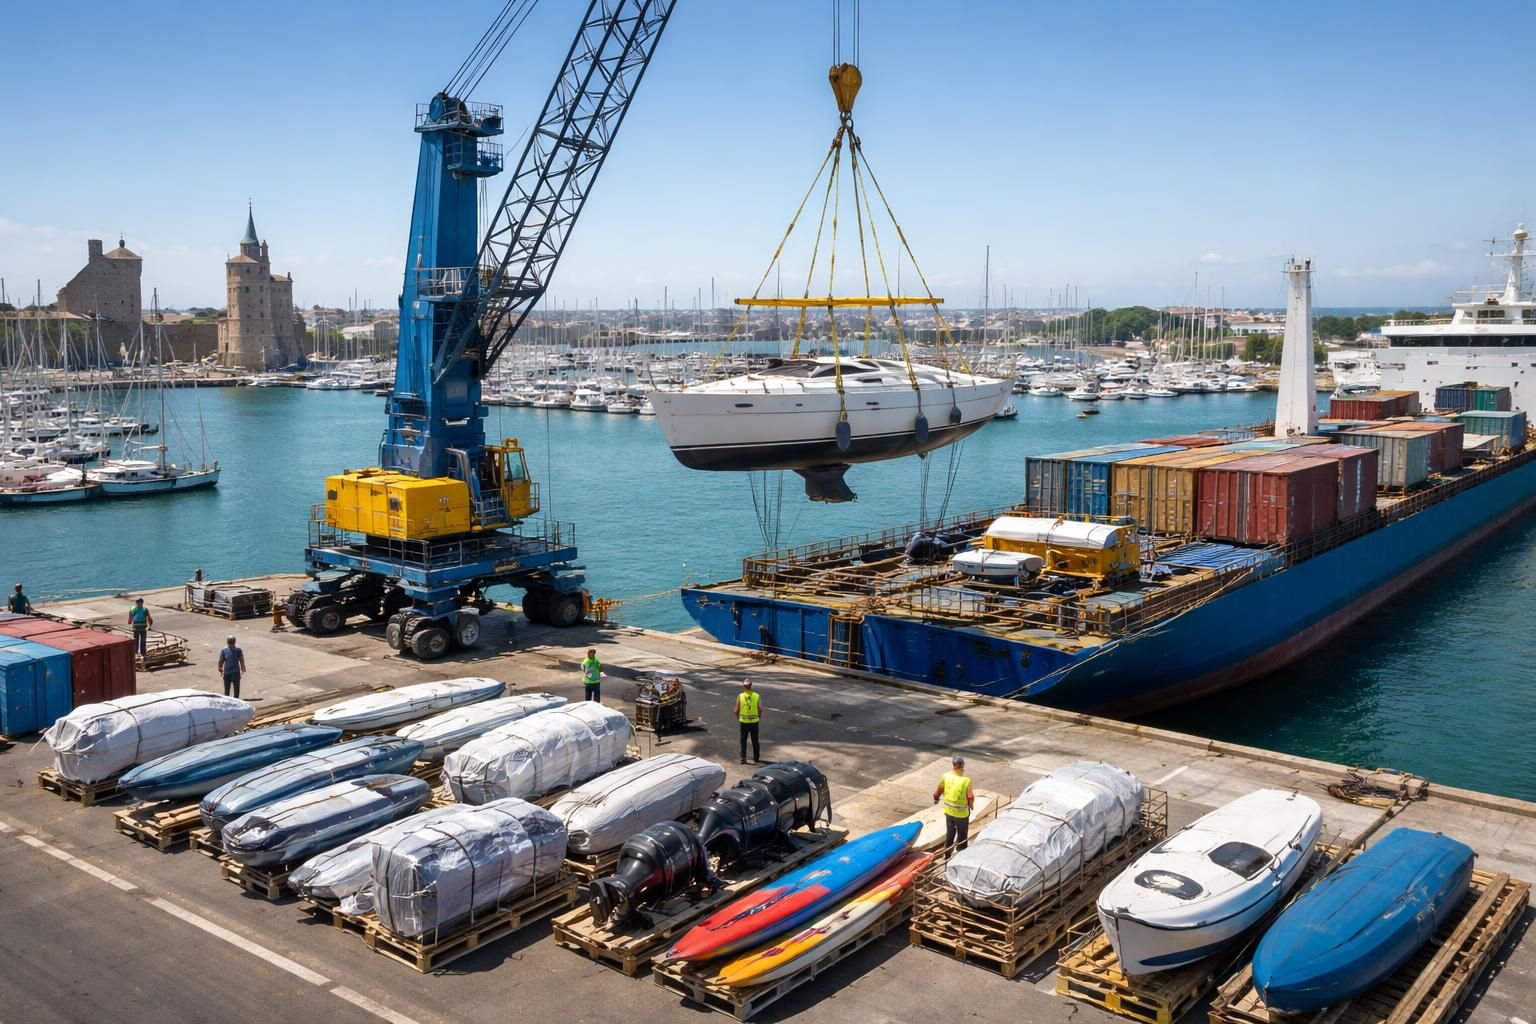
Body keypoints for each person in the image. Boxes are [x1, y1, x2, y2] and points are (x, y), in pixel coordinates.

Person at [933, 755, 974, 851]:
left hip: (949, 812)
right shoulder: (966, 781)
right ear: (963, 765)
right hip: (962, 814)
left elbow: (937, 792)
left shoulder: (945, 776)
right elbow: (970, 797)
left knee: (950, 833)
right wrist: (971, 807)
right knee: (962, 835)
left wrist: (936, 799)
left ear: (953, 765)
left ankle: (947, 854)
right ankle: (960, 853)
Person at [736, 679, 761, 765]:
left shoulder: (740, 696)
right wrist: (758, 716)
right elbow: (760, 709)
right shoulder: (757, 696)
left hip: (744, 722)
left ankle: (743, 758)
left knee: (743, 740)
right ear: (751, 686)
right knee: (755, 740)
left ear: (744, 686)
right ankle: (756, 758)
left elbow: (736, 710)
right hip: (754, 722)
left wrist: (738, 715)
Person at [217, 634, 247, 699]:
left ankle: (232, 699)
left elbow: (241, 659)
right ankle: (230, 699)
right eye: (230, 642)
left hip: (233, 672)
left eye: (231, 642)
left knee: (233, 688)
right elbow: (221, 660)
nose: (231, 644)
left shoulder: (237, 650)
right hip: (230, 672)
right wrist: (220, 667)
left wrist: (243, 668)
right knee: (231, 688)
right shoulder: (226, 650)